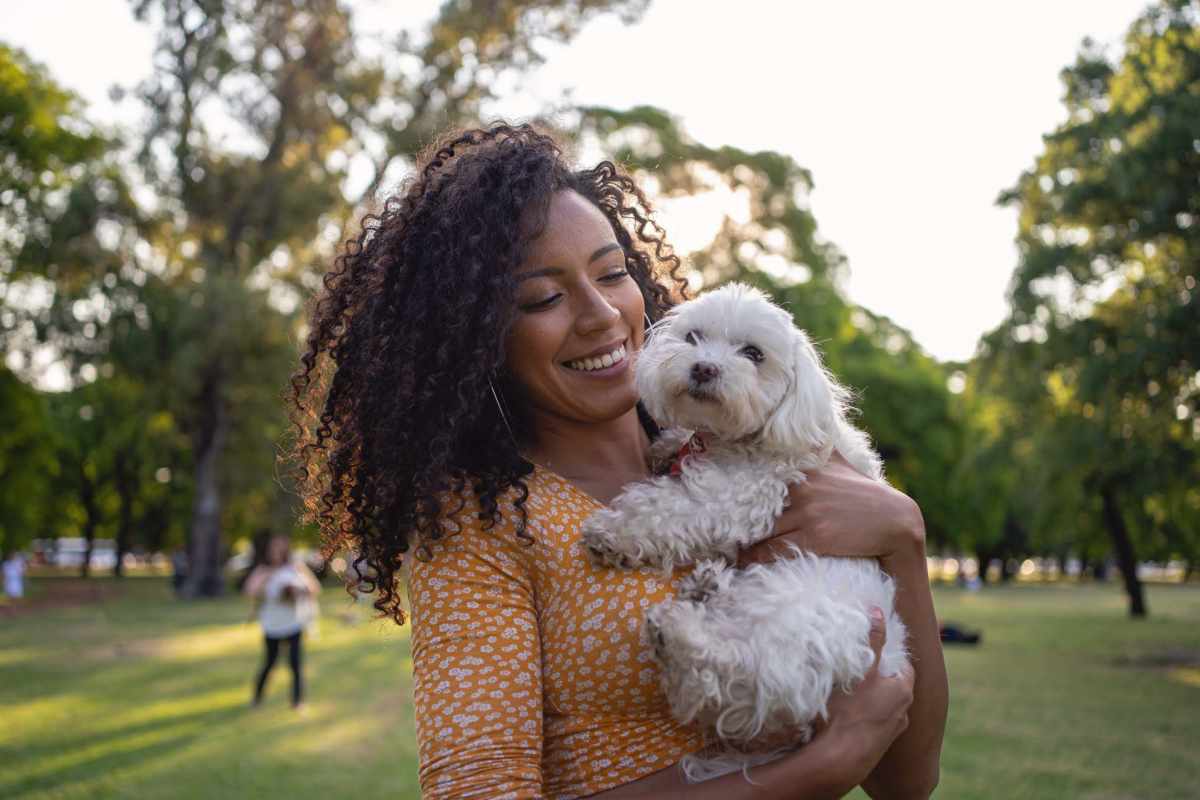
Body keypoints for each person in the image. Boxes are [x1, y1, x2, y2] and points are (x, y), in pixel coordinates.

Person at [289, 124, 948, 798]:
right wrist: (816, 769)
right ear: (478, 342)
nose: (602, 314)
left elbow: (907, 783)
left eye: (613, 273)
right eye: (544, 297)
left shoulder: (755, 458)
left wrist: (902, 537)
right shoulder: (479, 528)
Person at [243, 534, 320, 709]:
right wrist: (268, 577)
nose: (276, 552)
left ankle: (297, 702)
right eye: (273, 548)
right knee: (269, 663)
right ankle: (257, 698)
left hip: (293, 622)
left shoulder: (295, 567)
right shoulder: (263, 570)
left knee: (295, 664)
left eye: (280, 548)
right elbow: (249, 590)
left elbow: (314, 588)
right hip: (272, 624)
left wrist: (298, 590)